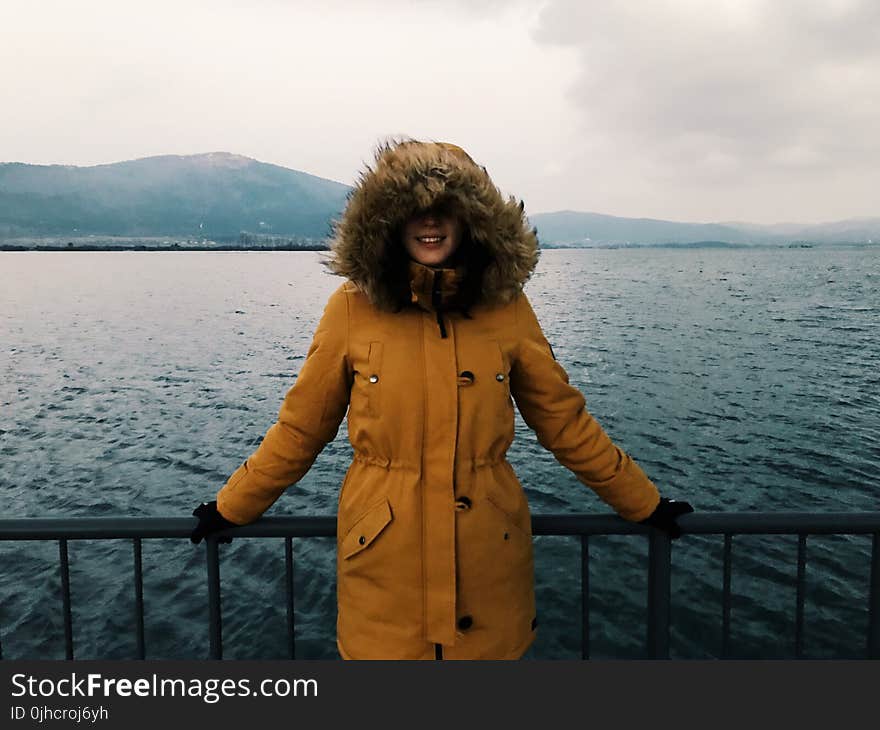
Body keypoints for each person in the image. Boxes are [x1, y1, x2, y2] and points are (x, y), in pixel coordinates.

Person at [190, 137, 694, 660]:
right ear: (387, 221)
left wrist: (643, 503)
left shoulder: (507, 309)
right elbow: (301, 429)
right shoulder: (350, 309)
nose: (430, 224)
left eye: (444, 210)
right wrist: (232, 507)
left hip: (491, 571)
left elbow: (564, 422)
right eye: (414, 211)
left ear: (471, 220)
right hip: (383, 570)